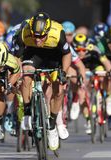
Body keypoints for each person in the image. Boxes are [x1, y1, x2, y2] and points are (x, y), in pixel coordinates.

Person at [13, 12, 71, 151]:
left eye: (41, 36)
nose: (38, 40)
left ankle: (52, 125)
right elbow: (16, 58)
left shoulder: (58, 33)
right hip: (33, 54)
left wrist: (63, 73)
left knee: (59, 88)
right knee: (26, 75)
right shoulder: (24, 33)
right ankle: (27, 112)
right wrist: (16, 75)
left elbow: (66, 55)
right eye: (35, 36)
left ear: (48, 31)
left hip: (53, 55)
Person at [72, 33, 111, 132]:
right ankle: (88, 118)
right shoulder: (71, 50)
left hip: (95, 64)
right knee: (81, 89)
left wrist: (110, 72)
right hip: (82, 66)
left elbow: (106, 62)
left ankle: (109, 97)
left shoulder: (94, 47)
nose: (81, 53)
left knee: (103, 77)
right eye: (78, 50)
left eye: (83, 50)